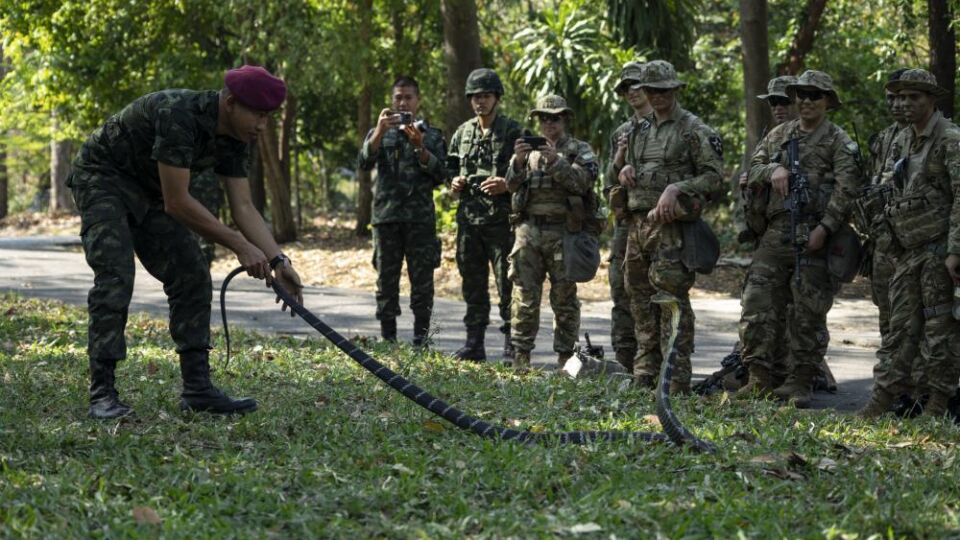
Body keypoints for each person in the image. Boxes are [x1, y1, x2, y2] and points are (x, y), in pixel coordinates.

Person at [67, 65, 304, 418]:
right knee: (116, 275)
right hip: (103, 179)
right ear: (230, 102)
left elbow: (243, 206)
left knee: (192, 274)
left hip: (152, 192)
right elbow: (177, 201)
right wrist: (239, 245)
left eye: (268, 117)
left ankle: (197, 390)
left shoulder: (237, 139)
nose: (261, 125)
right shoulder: (179, 113)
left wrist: (278, 261)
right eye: (256, 114)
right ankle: (103, 393)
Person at [737, 70, 863, 407]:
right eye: (801, 95)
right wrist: (774, 170)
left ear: (826, 101)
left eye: (814, 95)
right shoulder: (780, 134)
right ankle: (759, 377)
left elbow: (847, 189)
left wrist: (825, 228)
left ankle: (800, 382)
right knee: (757, 302)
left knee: (807, 310)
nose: (806, 101)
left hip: (816, 234)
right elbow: (754, 167)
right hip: (778, 231)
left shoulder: (838, 141)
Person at [858, 69, 960, 417]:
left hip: (937, 251)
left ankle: (937, 404)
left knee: (939, 331)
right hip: (906, 249)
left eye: (913, 97)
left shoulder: (949, 139)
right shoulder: (902, 139)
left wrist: (955, 250)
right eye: (899, 97)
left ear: (931, 99)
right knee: (898, 329)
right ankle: (882, 399)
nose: (904, 103)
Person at [618, 60, 724, 393]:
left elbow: (713, 177)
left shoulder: (694, 129)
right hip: (637, 224)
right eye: (651, 90)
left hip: (671, 228)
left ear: (675, 90)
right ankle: (645, 372)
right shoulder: (638, 129)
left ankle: (676, 377)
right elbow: (630, 167)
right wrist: (624, 171)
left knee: (671, 299)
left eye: (664, 90)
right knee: (638, 297)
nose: (657, 96)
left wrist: (677, 188)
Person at [505, 94, 599, 371]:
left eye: (554, 118)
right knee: (524, 297)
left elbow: (583, 182)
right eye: (543, 118)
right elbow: (510, 186)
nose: (548, 123)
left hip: (564, 233)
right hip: (529, 231)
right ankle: (521, 357)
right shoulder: (528, 151)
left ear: (564, 119)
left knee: (564, 299)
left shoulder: (579, 150)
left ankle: (565, 360)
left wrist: (556, 161)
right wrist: (519, 163)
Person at [358, 75, 447, 346]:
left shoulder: (432, 135)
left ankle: (421, 338)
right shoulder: (379, 131)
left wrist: (420, 146)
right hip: (386, 218)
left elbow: (442, 173)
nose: (403, 102)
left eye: (408, 97)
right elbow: (363, 162)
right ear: (391, 100)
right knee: (386, 279)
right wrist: (379, 133)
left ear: (418, 101)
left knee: (422, 282)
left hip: (420, 220)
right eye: (398, 97)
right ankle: (389, 338)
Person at [447, 68, 523, 361]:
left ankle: (511, 343)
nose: (480, 102)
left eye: (486, 96)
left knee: (507, 283)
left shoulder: (512, 130)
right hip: (469, 220)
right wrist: (453, 182)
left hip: (501, 222)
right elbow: (450, 167)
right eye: (476, 97)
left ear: (496, 98)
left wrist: (507, 184)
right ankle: (474, 343)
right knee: (473, 284)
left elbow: (526, 171)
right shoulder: (463, 133)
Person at [856, 69, 918, 417]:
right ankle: (895, 387)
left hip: (909, 239)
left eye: (904, 98)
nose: (896, 104)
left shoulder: (923, 137)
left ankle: (914, 387)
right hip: (881, 240)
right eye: (891, 98)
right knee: (886, 314)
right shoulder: (882, 137)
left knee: (911, 318)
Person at [603, 61, 649, 371]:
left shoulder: (672, 128)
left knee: (655, 294)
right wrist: (619, 160)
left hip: (657, 222)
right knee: (621, 291)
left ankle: (654, 361)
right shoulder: (622, 132)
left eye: (636, 85)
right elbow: (609, 182)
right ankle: (624, 361)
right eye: (625, 89)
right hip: (625, 222)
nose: (631, 92)